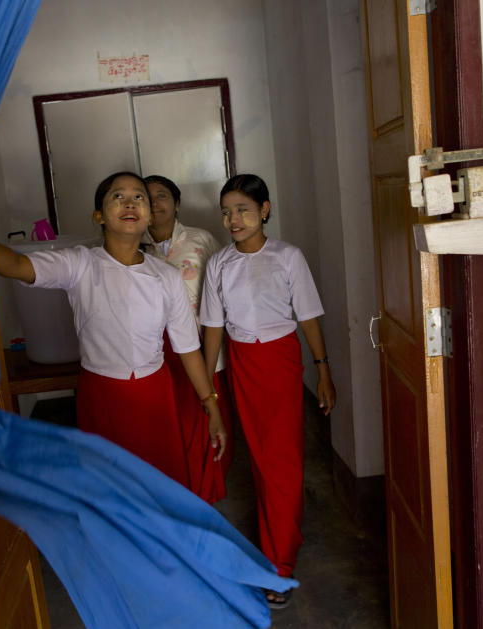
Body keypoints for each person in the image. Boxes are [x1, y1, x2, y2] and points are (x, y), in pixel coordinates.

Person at [0, 172, 226, 487]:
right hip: (102, 394)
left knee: (161, 486)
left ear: (148, 214)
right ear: (99, 215)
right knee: (110, 488)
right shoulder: (79, 264)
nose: (130, 202)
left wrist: (211, 405)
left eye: (139, 197)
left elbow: (188, 348)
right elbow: (15, 265)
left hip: (155, 396)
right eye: (117, 196)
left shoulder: (166, 276)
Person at [200, 173, 336, 609]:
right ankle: (281, 535)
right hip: (241, 365)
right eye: (226, 211)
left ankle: (279, 562)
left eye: (242, 209)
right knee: (261, 461)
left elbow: (309, 316)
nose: (232, 219)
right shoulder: (219, 264)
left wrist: (323, 371)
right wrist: (208, 390)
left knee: (282, 460)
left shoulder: (287, 257)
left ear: (265, 209)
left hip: (279, 361)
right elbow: (214, 328)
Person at [141, 174, 234, 503]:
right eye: (147, 197)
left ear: (177, 203)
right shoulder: (134, 248)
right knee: (172, 428)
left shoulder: (200, 240)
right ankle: (178, 494)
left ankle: (206, 494)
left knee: (208, 420)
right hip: (157, 356)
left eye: (162, 196)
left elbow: (226, 288)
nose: (155, 204)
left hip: (203, 349)